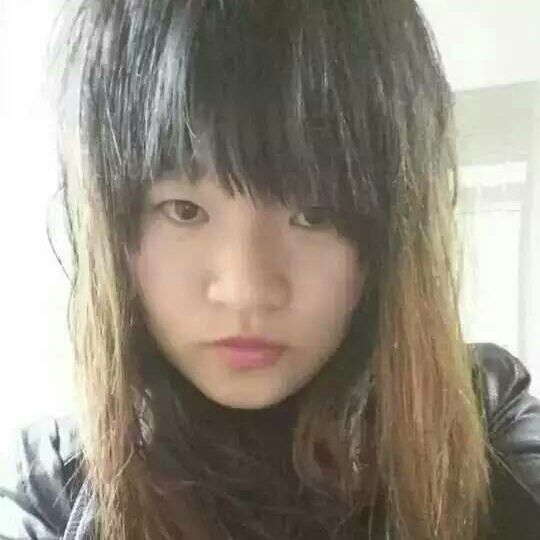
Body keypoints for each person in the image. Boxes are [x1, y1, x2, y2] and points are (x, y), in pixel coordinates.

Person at [1, 0, 540, 538]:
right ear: (111, 225)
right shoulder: (51, 491)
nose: (246, 290)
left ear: (387, 236)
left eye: (315, 215)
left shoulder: (482, 419)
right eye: (184, 210)